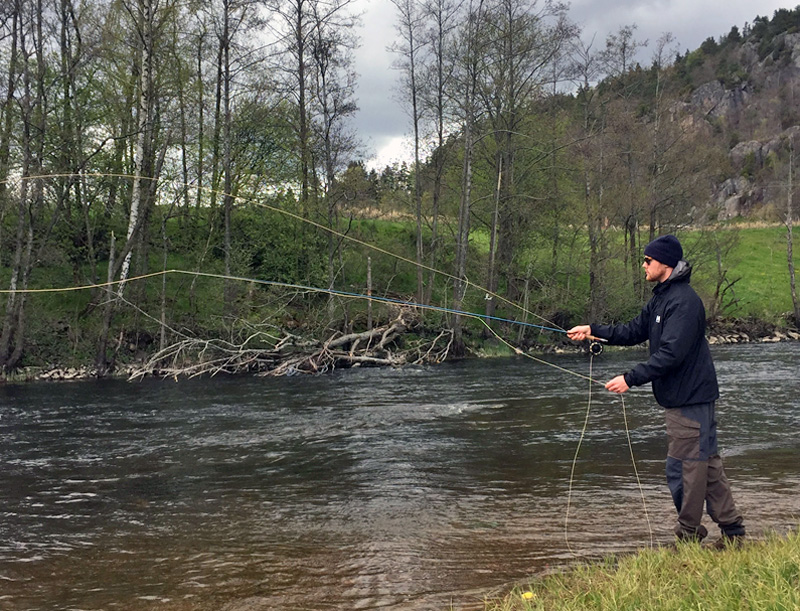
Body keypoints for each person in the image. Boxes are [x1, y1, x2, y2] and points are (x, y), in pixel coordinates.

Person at [567, 234, 745, 548]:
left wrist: (630, 378)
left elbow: (670, 354)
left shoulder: (685, 302)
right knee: (708, 467)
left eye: (648, 260)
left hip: (691, 399)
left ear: (664, 263)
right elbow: (633, 330)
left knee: (683, 469)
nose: (644, 265)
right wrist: (593, 330)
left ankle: (688, 537)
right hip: (686, 399)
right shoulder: (661, 297)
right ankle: (734, 534)